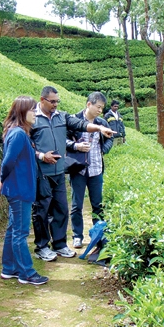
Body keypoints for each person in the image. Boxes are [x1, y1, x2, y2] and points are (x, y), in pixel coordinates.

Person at [31, 86, 115, 261]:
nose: (55, 104)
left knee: (61, 208)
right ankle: (42, 247)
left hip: (59, 171)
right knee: (42, 211)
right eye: (52, 101)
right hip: (42, 172)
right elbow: (25, 144)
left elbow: (81, 124)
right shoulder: (32, 118)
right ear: (42, 100)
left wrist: (99, 129)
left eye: (57, 101)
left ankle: (60, 244)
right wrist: (40, 155)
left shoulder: (62, 116)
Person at [0, 96, 48, 286]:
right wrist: (1, 179)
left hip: (18, 189)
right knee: (20, 233)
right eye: (33, 110)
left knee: (13, 229)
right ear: (23, 112)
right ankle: (26, 273)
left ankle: (9, 268)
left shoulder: (18, 133)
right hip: (20, 190)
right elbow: (8, 161)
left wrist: (2, 180)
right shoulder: (19, 135)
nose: (36, 113)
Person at [66, 92, 113, 249]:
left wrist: (103, 150)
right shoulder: (74, 120)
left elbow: (110, 138)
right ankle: (77, 235)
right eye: (98, 107)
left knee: (97, 205)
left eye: (102, 108)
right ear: (89, 104)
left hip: (96, 169)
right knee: (76, 205)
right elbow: (63, 139)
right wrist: (76, 146)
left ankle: (98, 235)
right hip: (78, 169)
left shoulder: (101, 122)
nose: (100, 110)